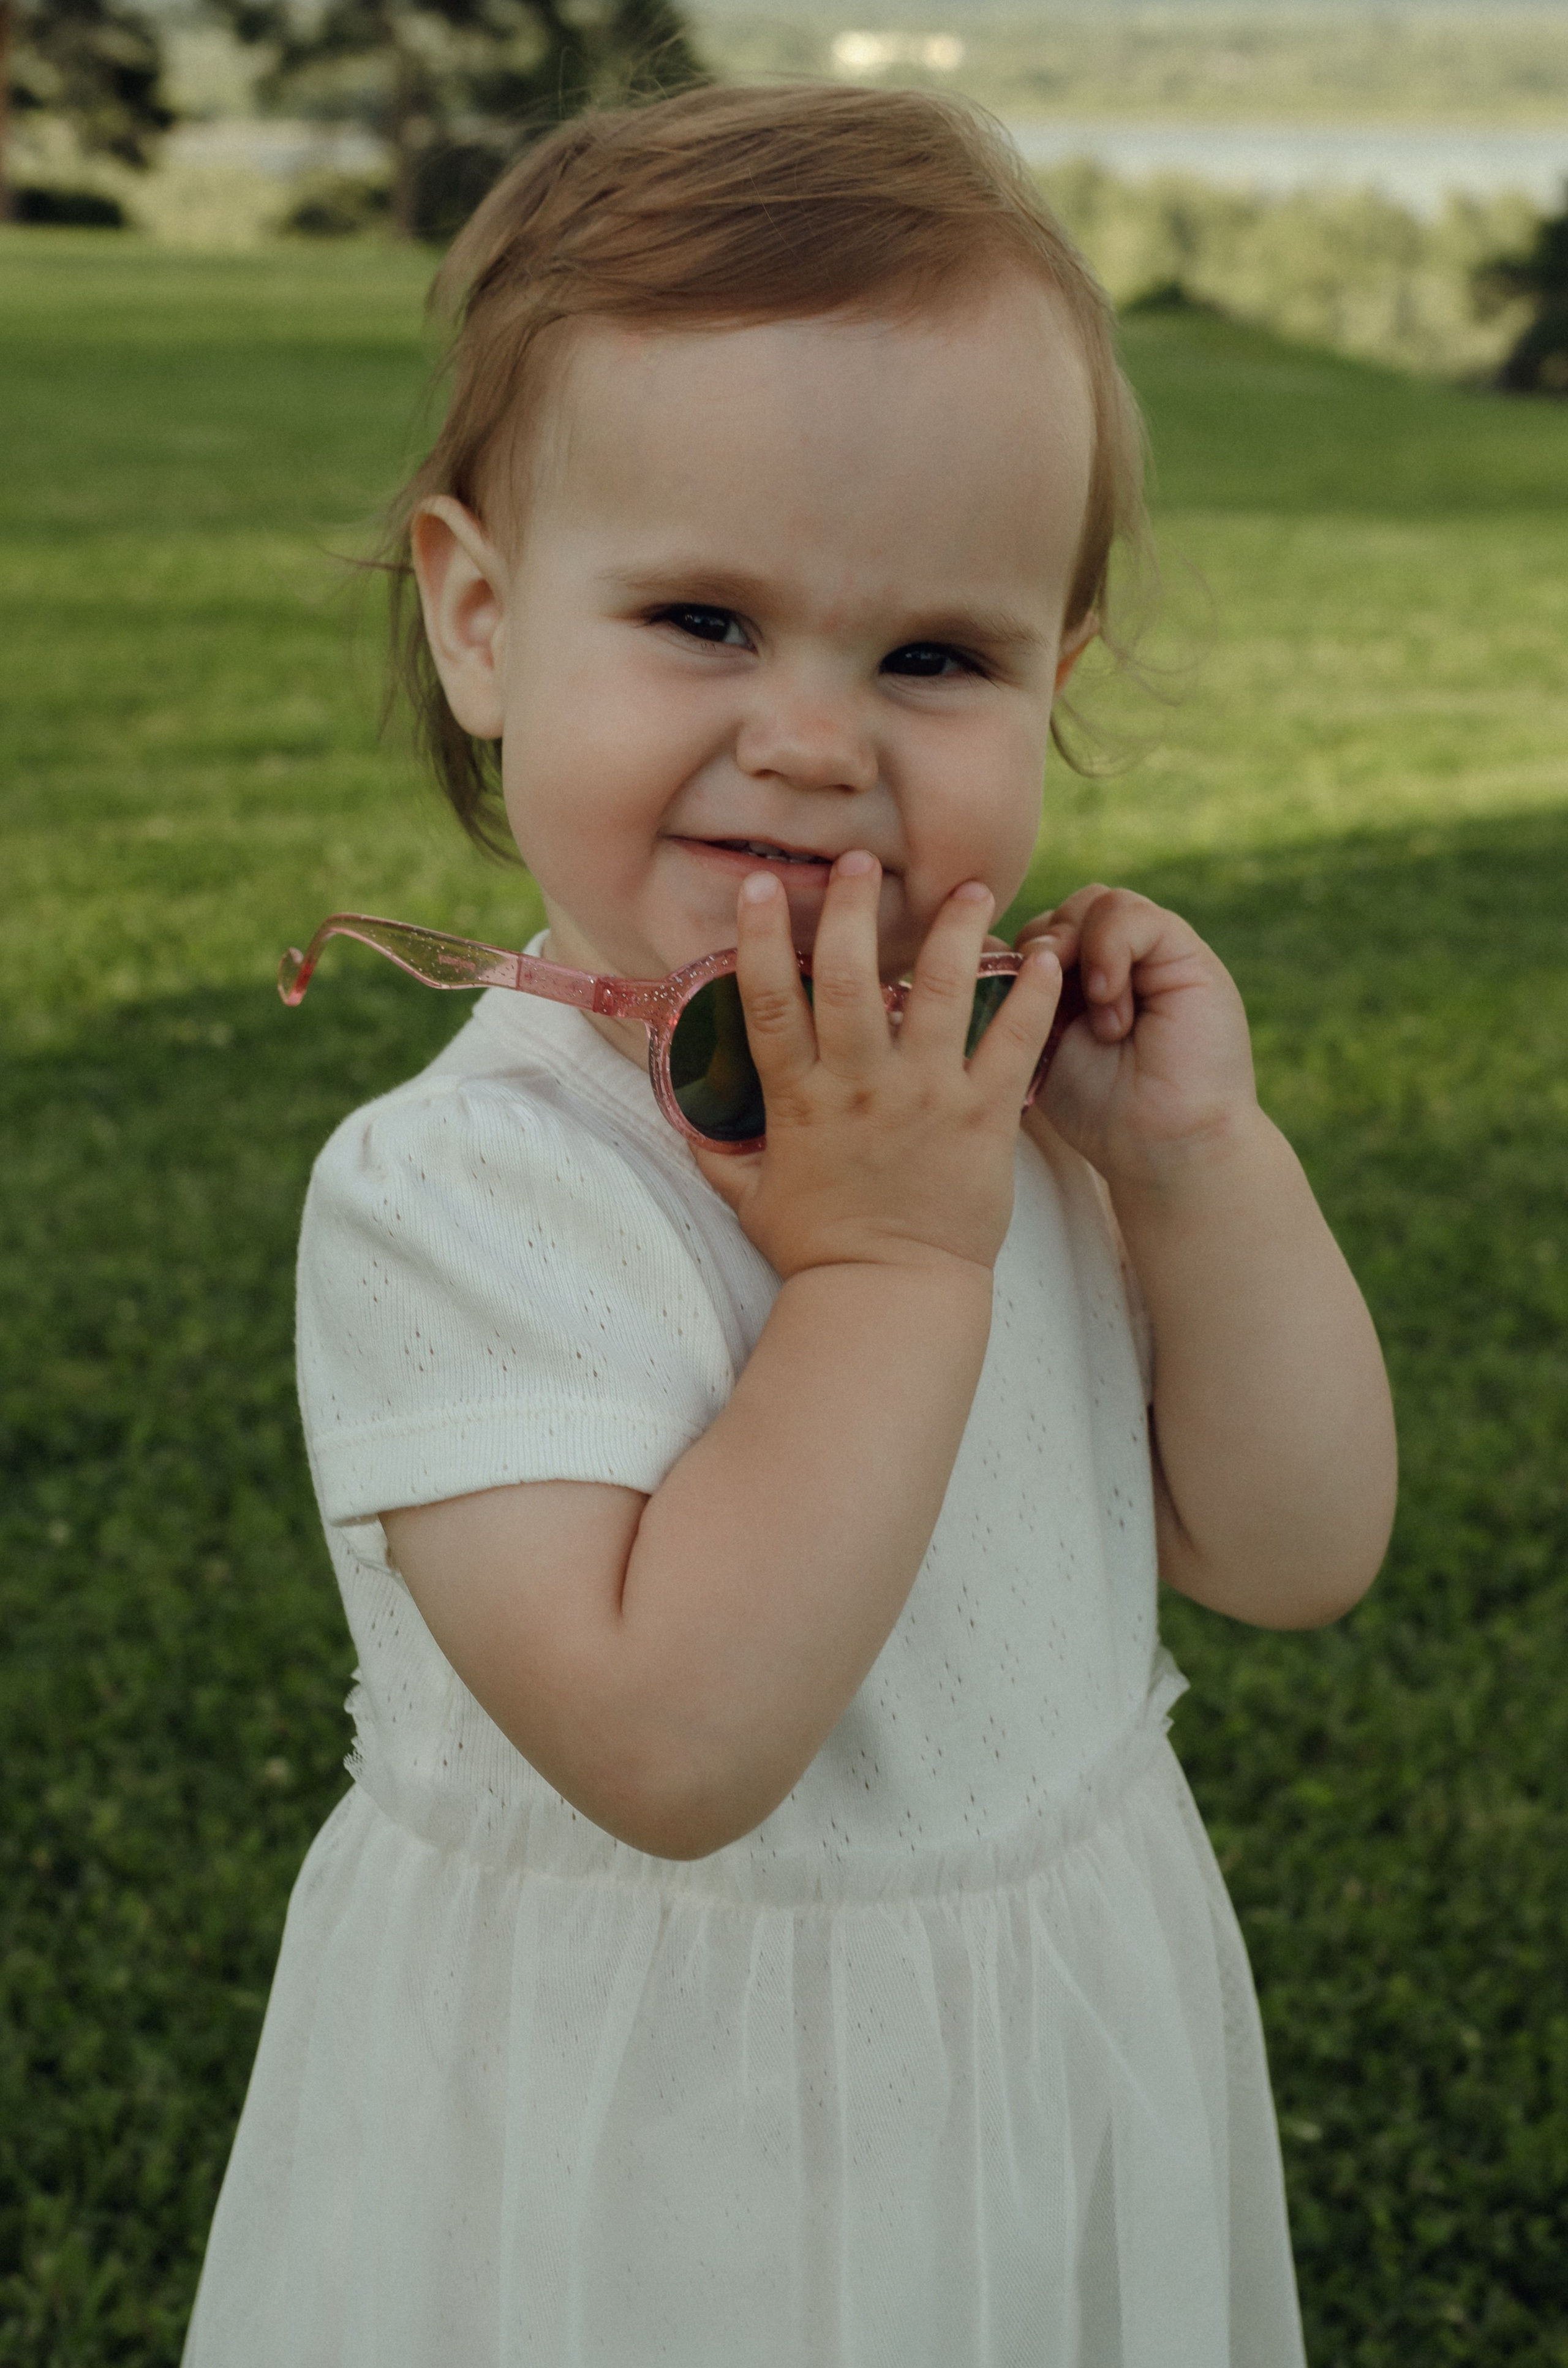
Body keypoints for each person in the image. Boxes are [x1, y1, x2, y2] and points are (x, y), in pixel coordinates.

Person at [183, 83, 1396, 2367]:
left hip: (1035, 2067)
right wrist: (889, 1266)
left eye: (935, 656)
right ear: (478, 620)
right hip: (645, 2155)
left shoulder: (1001, 1104)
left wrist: (1201, 1168)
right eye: (706, 617)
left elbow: (1300, 1544)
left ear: (1062, 677)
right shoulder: (467, 1190)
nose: (818, 740)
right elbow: (673, 1742)